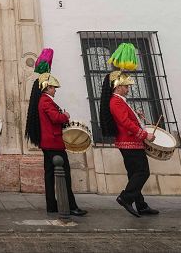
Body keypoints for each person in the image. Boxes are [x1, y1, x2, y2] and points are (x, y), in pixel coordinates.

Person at [24, 48, 87, 216]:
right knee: (64, 176)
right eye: (53, 87)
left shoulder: (44, 100)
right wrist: (65, 116)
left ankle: (52, 205)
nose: (55, 90)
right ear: (47, 87)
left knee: (51, 175)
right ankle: (71, 205)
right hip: (54, 143)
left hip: (49, 143)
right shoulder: (46, 101)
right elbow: (55, 118)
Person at [99, 42, 159, 218]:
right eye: (126, 86)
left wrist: (137, 115)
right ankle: (126, 198)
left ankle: (141, 205)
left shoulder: (119, 101)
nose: (128, 88)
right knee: (142, 172)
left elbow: (127, 117)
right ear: (118, 87)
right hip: (130, 142)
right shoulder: (116, 101)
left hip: (131, 142)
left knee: (135, 174)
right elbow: (124, 122)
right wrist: (143, 134)